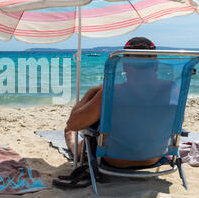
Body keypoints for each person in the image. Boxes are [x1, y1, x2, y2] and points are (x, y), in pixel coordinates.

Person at [64, 37, 163, 169]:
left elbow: (73, 124)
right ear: (156, 65)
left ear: (124, 65)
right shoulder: (172, 90)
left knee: (79, 133)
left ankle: (72, 143)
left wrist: (92, 93)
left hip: (114, 158)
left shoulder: (111, 92)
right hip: (152, 157)